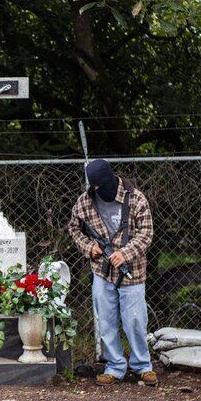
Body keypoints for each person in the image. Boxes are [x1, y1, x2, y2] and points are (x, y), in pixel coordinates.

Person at [68, 159, 157, 387]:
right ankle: (115, 367)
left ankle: (142, 366)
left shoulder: (135, 198)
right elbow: (74, 229)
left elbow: (146, 234)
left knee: (135, 320)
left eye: (100, 186)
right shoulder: (85, 201)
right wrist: (90, 249)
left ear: (110, 179)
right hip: (101, 271)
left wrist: (125, 254)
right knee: (106, 320)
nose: (97, 191)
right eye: (94, 187)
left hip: (132, 271)